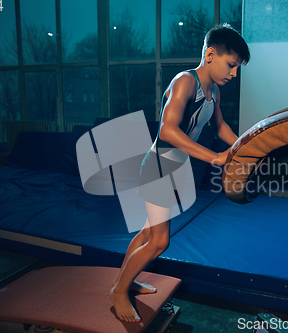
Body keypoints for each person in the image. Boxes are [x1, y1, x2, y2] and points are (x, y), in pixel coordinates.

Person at [109, 23, 250, 322]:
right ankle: (119, 291)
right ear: (210, 55)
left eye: (237, 68)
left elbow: (220, 126)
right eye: (231, 65)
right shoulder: (185, 82)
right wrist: (214, 157)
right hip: (160, 163)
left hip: (175, 167)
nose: (234, 73)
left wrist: (245, 146)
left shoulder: (213, 92)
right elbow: (168, 130)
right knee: (160, 241)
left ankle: (127, 280)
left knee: (148, 232)